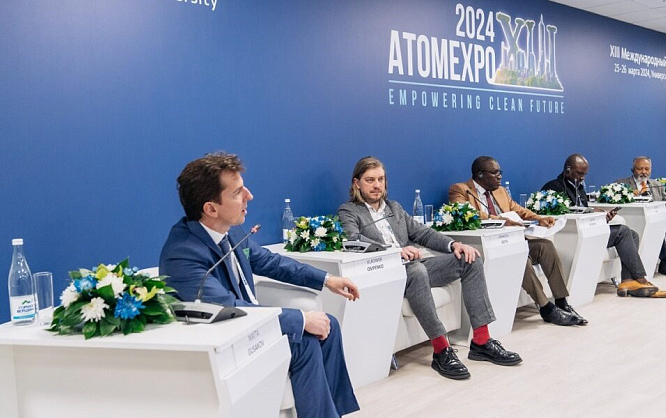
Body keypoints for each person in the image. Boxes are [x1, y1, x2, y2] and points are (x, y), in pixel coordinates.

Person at [159, 152, 360, 418]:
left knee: (328, 325)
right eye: (237, 193)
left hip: (250, 326)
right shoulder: (183, 254)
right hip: (226, 342)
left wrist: (326, 279)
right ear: (211, 208)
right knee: (304, 341)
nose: (249, 196)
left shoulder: (230, 231)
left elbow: (270, 262)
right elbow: (229, 310)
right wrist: (300, 319)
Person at [338, 156, 521, 381]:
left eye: (381, 179)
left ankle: (481, 341)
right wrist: (394, 251)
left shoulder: (394, 208)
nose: (377, 185)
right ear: (357, 183)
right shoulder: (349, 211)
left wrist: (453, 245)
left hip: (415, 265)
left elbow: (422, 233)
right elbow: (354, 239)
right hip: (387, 272)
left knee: (470, 259)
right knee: (417, 271)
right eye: (370, 180)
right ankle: (441, 350)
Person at [449, 156, 586, 326]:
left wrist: (539, 218)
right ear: (480, 174)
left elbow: (518, 209)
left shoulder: (500, 191)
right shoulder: (460, 190)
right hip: (491, 248)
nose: (499, 176)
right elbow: (468, 214)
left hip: (514, 241)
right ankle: (546, 308)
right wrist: (501, 220)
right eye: (495, 173)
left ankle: (561, 302)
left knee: (546, 246)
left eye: (500, 172)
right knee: (521, 258)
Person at [541, 154, 666, 298]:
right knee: (623, 231)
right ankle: (641, 279)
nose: (582, 177)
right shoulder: (553, 187)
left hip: (590, 231)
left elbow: (584, 209)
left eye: (584, 174)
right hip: (572, 235)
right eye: (579, 174)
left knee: (632, 234)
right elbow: (558, 215)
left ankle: (627, 281)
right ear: (568, 170)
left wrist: (601, 215)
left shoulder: (579, 187)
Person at [615, 156, 666, 277]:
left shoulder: (656, 185)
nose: (644, 172)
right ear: (633, 170)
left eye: (647, 169)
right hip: (637, 221)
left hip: (657, 219)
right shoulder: (621, 184)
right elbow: (617, 201)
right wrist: (632, 196)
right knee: (655, 226)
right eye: (640, 169)